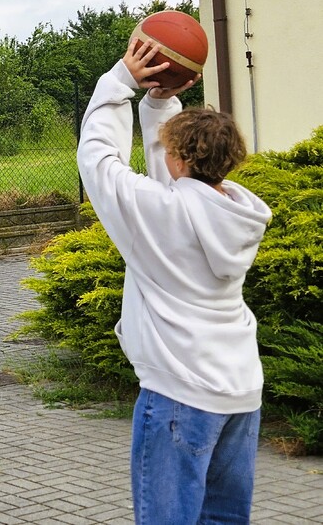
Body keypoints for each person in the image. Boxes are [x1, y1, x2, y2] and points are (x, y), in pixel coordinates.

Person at [77, 38, 271, 523]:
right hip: (240, 390)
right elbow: (179, 190)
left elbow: (98, 160)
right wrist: (160, 103)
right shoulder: (236, 213)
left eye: (170, 150)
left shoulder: (160, 212)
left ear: (179, 161)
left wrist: (120, 80)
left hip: (180, 394)